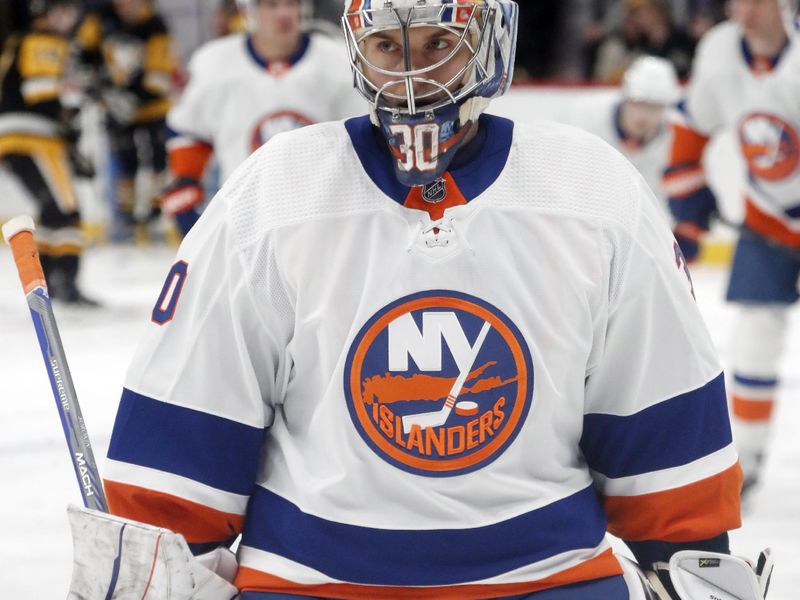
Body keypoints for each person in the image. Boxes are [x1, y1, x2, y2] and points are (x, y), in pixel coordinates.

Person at [69, 1, 773, 598]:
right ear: (356, 50)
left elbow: (661, 429)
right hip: (311, 580)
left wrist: (688, 561)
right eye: (385, 45)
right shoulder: (275, 194)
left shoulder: (590, 191)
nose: (410, 73)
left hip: (548, 577)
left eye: (440, 43)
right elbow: (187, 435)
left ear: (488, 46)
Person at [663, 0, 798, 499]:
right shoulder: (720, 51)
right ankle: (750, 457)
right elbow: (692, 121)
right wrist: (689, 202)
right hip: (767, 217)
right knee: (755, 338)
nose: (747, 9)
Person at [160, 0, 362, 236]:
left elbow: (361, 136)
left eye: (291, 4)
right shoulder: (216, 64)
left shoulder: (337, 59)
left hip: (322, 217)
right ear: (249, 11)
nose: (284, 13)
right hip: (243, 218)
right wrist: (186, 180)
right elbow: (190, 130)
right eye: (272, 5)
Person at [0, 0, 97, 305]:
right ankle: (64, 283)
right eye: (63, 10)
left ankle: (48, 284)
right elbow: (41, 93)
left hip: (24, 137)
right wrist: (68, 122)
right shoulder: (43, 39)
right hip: (32, 137)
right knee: (68, 211)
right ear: (45, 13)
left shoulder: (23, 38)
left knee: (53, 212)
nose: (69, 17)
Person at [74, 0, 176, 242]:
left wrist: (130, 99)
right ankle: (126, 218)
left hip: (151, 106)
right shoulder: (101, 17)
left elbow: (159, 75)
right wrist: (98, 88)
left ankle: (154, 215)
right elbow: (83, 53)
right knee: (124, 160)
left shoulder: (155, 24)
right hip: (114, 104)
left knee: (157, 160)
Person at [575, 55, 681, 216]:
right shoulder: (586, 119)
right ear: (625, 99)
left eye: (655, 107)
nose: (644, 115)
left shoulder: (676, 135)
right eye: (639, 104)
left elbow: (657, 198)